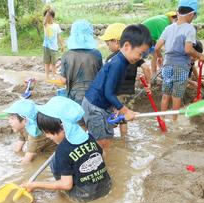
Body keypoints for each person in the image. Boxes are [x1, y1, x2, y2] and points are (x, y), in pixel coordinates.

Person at [21, 96, 112, 203]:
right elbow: (103, 155)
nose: (47, 136)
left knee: (54, 163)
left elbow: (66, 185)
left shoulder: (62, 151)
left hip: (84, 195)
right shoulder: (89, 137)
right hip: (106, 186)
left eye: (48, 132)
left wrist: (35, 185)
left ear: (63, 128)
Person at [82, 24, 152, 152]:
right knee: (101, 143)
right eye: (140, 53)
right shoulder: (118, 63)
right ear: (126, 46)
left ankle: (107, 164)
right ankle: (100, 167)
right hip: (95, 106)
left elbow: (111, 89)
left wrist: (117, 109)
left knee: (107, 139)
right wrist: (125, 111)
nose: (140, 58)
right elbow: (108, 93)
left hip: (102, 105)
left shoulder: (122, 61)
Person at [155, 0, 204, 122]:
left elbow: (157, 47)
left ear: (178, 12)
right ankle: (174, 122)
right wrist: (200, 55)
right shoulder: (190, 28)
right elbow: (188, 50)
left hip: (167, 65)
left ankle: (162, 119)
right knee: (176, 96)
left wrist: (160, 57)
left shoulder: (168, 28)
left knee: (165, 95)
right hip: (181, 66)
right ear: (191, 14)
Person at [100, 23, 151, 136]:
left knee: (113, 117)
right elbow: (146, 68)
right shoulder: (135, 55)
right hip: (129, 93)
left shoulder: (112, 58)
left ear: (117, 42)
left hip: (116, 95)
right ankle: (124, 138)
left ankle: (113, 139)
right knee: (124, 118)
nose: (108, 47)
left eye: (108, 43)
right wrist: (148, 84)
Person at [59, 20, 102, 105]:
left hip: (74, 96)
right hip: (94, 95)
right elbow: (102, 76)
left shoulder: (66, 55)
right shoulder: (96, 54)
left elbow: (63, 80)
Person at [5, 99, 54, 164]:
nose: (9, 121)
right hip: (40, 147)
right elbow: (17, 148)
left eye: (12, 118)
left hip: (50, 153)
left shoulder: (35, 133)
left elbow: (26, 161)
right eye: (9, 118)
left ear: (25, 120)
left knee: (41, 159)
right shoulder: (25, 126)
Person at [43, 7, 63, 80]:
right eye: (47, 16)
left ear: (53, 17)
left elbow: (59, 36)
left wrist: (62, 45)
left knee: (53, 63)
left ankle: (53, 75)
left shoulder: (56, 26)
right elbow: (45, 19)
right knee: (46, 62)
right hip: (46, 46)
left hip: (54, 47)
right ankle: (47, 76)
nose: (48, 17)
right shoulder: (45, 24)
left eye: (50, 16)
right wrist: (48, 11)